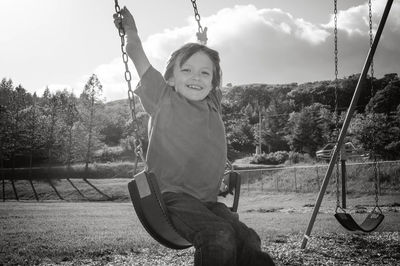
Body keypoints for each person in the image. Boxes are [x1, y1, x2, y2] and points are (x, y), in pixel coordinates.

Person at [114, 7, 275, 266]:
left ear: (213, 84)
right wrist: (130, 31)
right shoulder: (163, 98)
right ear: (170, 79)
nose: (196, 78)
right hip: (172, 199)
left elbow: (205, 63)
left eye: (204, 74)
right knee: (218, 235)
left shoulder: (212, 102)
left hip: (208, 203)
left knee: (248, 239)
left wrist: (202, 43)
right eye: (186, 71)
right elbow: (137, 55)